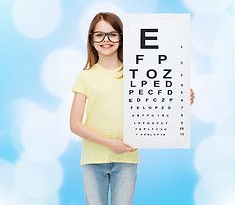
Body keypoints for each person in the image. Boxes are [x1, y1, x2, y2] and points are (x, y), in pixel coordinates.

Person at [70, 12, 195, 205]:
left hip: (127, 158)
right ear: (91, 39)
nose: (106, 40)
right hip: (93, 159)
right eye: (99, 34)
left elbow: (154, 102)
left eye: (112, 34)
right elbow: (75, 124)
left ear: (121, 37)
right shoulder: (85, 77)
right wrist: (109, 143)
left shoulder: (137, 73)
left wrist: (179, 98)